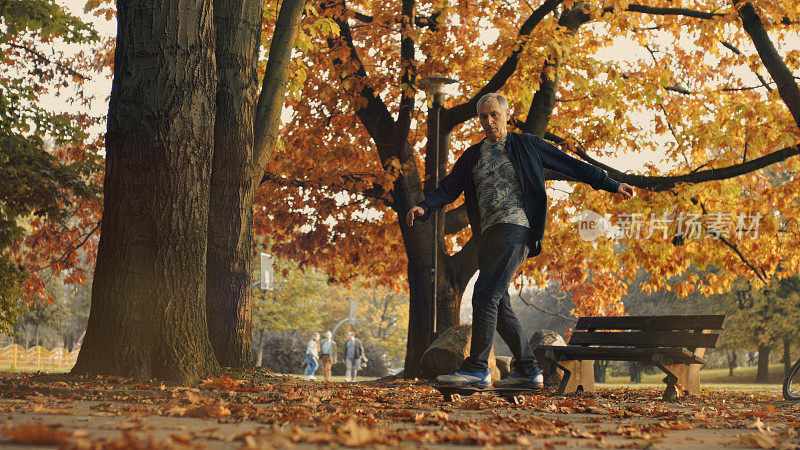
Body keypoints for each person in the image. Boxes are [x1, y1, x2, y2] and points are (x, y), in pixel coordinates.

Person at [406, 93, 634, 389]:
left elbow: (572, 165)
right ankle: (528, 370)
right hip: (487, 234)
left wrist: (612, 184)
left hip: (516, 227)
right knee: (498, 304)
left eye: (494, 115)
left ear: (505, 115)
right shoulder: (472, 156)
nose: (488, 122)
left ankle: (476, 369)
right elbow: (448, 188)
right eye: (483, 117)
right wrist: (424, 207)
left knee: (485, 294)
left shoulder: (526, 144)